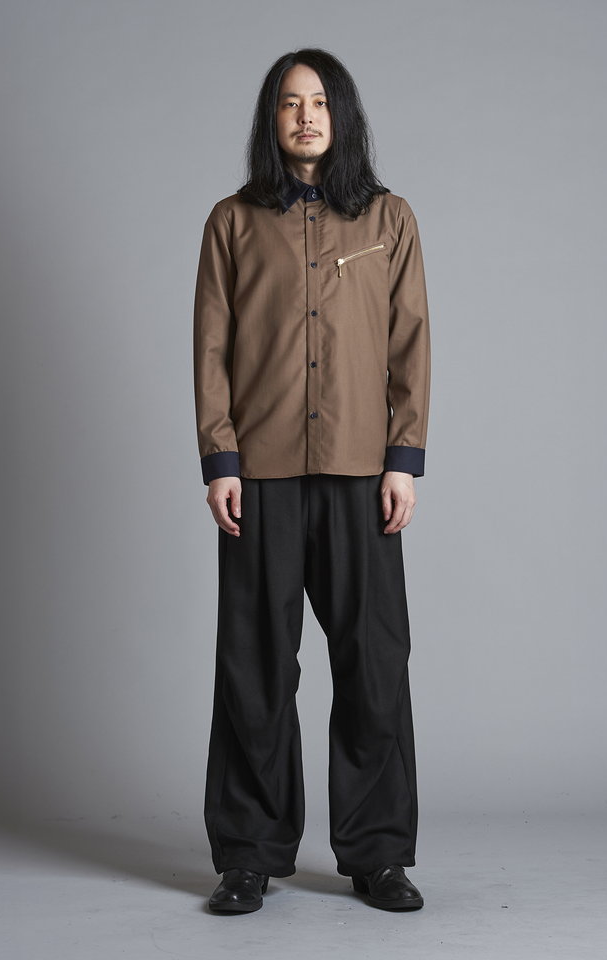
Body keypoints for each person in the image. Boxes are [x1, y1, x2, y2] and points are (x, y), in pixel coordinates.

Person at [192, 47, 431, 914]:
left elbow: (411, 345)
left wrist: (403, 460)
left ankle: (379, 854)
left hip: (363, 473)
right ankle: (248, 854)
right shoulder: (231, 222)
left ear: (342, 115)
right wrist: (220, 460)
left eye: (320, 101)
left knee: (375, 661)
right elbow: (211, 347)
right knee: (255, 664)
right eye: (291, 103)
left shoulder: (389, 219)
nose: (306, 116)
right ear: (273, 118)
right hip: (260, 475)